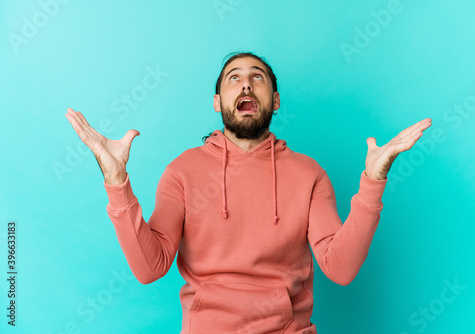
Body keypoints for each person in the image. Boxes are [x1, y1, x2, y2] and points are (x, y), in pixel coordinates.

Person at [65, 51, 432, 333]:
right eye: (233, 78)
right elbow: (150, 267)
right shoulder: (183, 171)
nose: (245, 84)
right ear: (217, 101)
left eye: (257, 78)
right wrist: (116, 181)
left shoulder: (308, 173)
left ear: (274, 100)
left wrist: (373, 179)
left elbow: (341, 268)